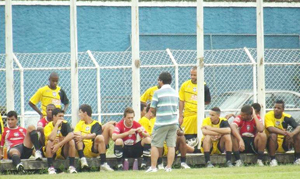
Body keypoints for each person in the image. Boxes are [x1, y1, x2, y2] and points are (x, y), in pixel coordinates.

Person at [139, 104, 192, 170]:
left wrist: (178, 131)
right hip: (158, 144)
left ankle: (183, 162)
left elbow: (177, 130)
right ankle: (160, 163)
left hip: (168, 143)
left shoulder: (160, 119)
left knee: (181, 138)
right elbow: (146, 135)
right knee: (159, 138)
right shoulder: (144, 120)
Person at [147, 72, 179, 173]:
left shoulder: (157, 92)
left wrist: (156, 114)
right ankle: (169, 167)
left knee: (155, 145)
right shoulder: (175, 92)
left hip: (161, 122)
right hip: (173, 122)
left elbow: (152, 108)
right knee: (171, 145)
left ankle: (153, 167)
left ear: (161, 81)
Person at [74, 104, 114, 171]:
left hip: (93, 149)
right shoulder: (80, 123)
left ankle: (103, 164)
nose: (79, 114)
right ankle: (82, 159)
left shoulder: (96, 124)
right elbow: (76, 133)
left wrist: (83, 136)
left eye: (80, 112)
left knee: (100, 137)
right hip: (82, 148)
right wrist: (83, 136)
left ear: (85, 113)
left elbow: (94, 135)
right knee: (78, 138)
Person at [179, 66, 211, 146]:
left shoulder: (204, 86)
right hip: (187, 115)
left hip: (198, 115)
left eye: (195, 75)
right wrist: (180, 115)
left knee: (200, 135)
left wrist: (199, 103)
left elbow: (207, 101)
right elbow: (181, 101)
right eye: (191, 75)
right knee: (185, 136)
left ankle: (200, 149)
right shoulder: (185, 85)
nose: (192, 77)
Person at [265, 100, 300, 166]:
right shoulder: (268, 115)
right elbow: (270, 128)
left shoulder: (287, 117)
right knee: (273, 135)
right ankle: (273, 160)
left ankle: (297, 158)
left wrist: (292, 134)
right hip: (272, 144)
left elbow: (298, 127)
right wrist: (284, 132)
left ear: (283, 110)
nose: (276, 109)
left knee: (297, 134)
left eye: (278, 108)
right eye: (275, 107)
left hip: (284, 143)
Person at [44, 108, 77, 174]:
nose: (61, 118)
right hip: (51, 150)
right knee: (49, 142)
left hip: (62, 150)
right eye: (59, 116)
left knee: (71, 141)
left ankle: (72, 167)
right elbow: (52, 138)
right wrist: (56, 125)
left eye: (62, 116)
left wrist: (59, 144)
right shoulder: (48, 126)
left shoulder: (65, 124)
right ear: (54, 116)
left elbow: (71, 134)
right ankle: (51, 168)